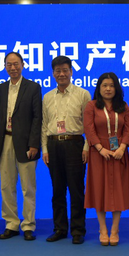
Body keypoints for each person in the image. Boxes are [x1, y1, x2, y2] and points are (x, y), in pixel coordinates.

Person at [41, 56, 91, 244]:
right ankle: (60, 229)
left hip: (75, 144)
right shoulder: (47, 97)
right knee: (57, 189)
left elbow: (89, 124)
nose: (61, 74)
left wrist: (86, 147)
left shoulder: (83, 94)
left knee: (77, 190)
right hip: (53, 145)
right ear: (53, 73)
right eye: (57, 71)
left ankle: (78, 230)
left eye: (65, 70)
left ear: (71, 72)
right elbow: (44, 126)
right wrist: (45, 149)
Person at [0, 52, 42, 241]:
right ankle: (11, 224)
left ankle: (28, 225)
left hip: (26, 144)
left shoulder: (33, 87)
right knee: (6, 186)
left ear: (23, 65)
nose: (12, 68)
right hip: (5, 140)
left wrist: (34, 144)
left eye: (16, 64)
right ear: (5, 66)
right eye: (9, 64)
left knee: (28, 187)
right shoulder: (0, 89)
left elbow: (37, 117)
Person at [84, 73, 129, 245]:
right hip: (98, 153)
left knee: (117, 191)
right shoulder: (91, 106)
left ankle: (114, 229)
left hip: (119, 153)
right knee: (99, 190)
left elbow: (128, 129)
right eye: (104, 85)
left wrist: (122, 147)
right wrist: (100, 148)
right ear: (99, 88)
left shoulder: (123, 106)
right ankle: (102, 229)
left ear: (117, 88)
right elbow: (89, 129)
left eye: (112, 85)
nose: (108, 89)